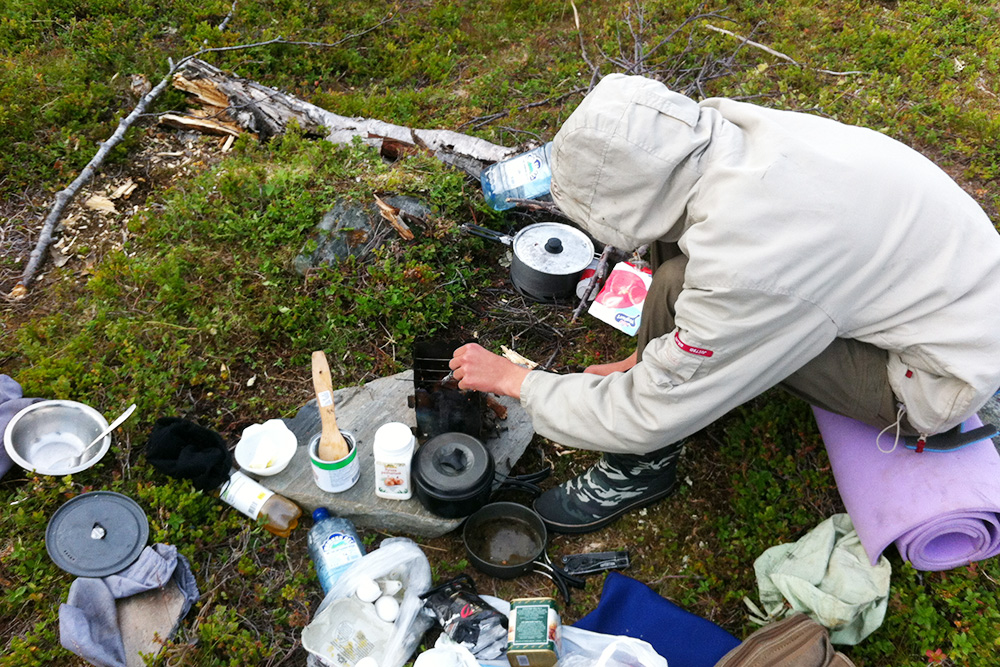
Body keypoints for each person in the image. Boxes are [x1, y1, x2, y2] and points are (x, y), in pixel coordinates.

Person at [450, 73, 1000, 534]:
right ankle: (673, 357)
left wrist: (518, 382)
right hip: (940, 281)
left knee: (672, 287)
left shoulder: (750, 265)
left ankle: (641, 472)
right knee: (675, 255)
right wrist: (654, 357)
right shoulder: (729, 130)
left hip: (934, 376)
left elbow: (647, 410)